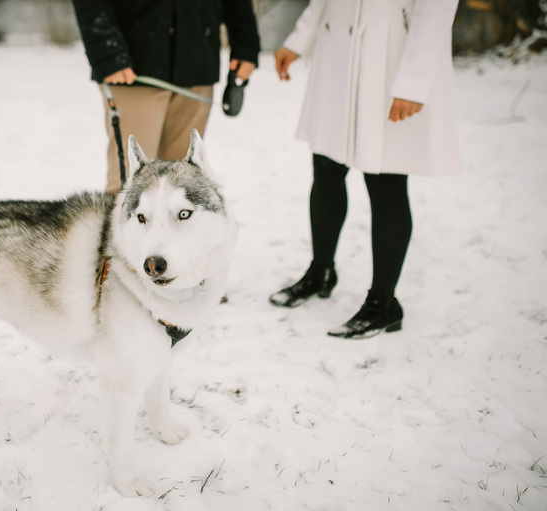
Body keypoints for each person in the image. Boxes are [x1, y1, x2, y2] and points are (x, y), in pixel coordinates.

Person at [269, 0, 462, 339]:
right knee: (326, 169)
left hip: (387, 63)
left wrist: (413, 83)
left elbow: (435, 10)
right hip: (337, 59)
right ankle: (321, 273)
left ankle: (383, 303)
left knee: (385, 181)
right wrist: (299, 40)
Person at [72, 0, 260, 194]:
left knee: (182, 185)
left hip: (198, 60)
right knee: (131, 186)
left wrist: (246, 45)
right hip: (135, 68)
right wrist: (107, 52)